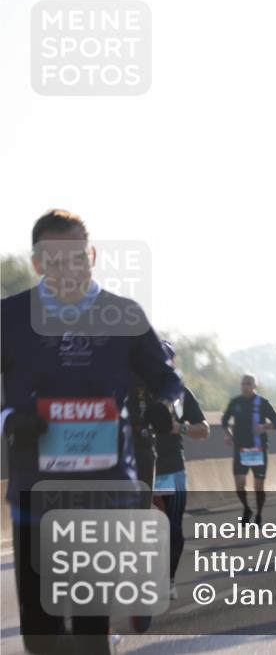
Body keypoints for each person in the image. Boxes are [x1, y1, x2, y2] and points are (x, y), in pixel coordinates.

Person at [2, 209, 183, 654]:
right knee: (41, 636)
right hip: (34, 490)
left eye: (78, 257)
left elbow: (166, 379)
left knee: (88, 631)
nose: (69, 268)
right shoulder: (8, 317)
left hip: (101, 490)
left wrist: (165, 401)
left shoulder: (123, 314)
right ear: (38, 263)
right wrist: (10, 420)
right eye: (56, 259)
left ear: (93, 256)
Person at [149, 341, 210, 600]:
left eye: (166, 359)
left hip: (171, 471)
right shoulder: (133, 390)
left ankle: (169, 579)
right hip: (139, 471)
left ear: (172, 362)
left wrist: (180, 428)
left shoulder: (181, 394)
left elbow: (205, 430)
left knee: (172, 530)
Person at [222, 374, 276, 526]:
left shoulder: (262, 403)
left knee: (258, 486)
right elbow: (224, 420)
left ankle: (259, 514)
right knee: (239, 483)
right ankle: (246, 508)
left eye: (249, 384)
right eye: (243, 384)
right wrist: (228, 434)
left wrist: (264, 426)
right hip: (240, 448)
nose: (245, 386)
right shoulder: (235, 402)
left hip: (258, 449)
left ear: (255, 386)